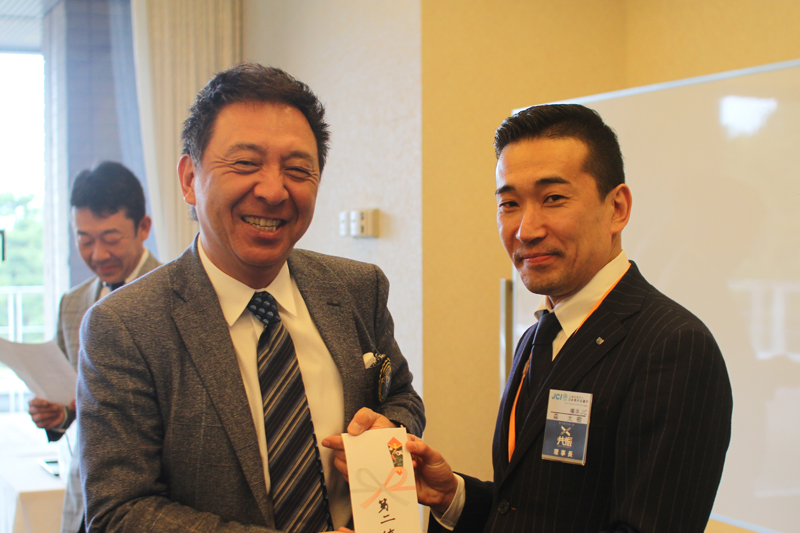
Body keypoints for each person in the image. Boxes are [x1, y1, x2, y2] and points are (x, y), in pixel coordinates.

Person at [339, 104, 733, 532]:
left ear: (617, 208)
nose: (526, 229)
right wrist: (452, 495)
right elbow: (528, 508)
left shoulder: (674, 346)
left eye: (553, 199)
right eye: (509, 203)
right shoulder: (537, 336)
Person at [77, 63, 425, 533]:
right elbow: (120, 511)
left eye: (297, 170)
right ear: (189, 178)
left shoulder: (358, 288)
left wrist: (391, 429)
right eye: (245, 164)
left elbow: (401, 396)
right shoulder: (125, 326)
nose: (273, 191)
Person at [27, 161, 160, 533]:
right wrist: (57, 415)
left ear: (143, 227)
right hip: (81, 499)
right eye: (84, 240)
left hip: (154, 500)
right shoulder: (71, 304)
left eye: (111, 238)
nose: (98, 254)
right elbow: (72, 404)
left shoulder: (176, 295)